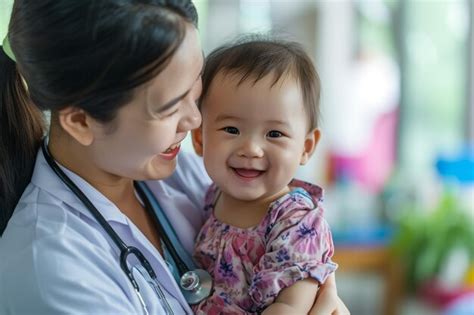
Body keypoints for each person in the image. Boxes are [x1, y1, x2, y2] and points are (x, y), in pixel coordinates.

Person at [0, 1, 348, 314]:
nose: (196, 120)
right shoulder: (51, 268)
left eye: (196, 91)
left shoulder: (183, 171)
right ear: (80, 120)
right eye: (169, 107)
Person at [190, 37, 339, 315]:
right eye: (231, 129)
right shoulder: (213, 195)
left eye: (274, 134)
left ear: (306, 147)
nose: (251, 149)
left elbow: (290, 307)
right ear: (199, 138)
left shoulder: (296, 221)